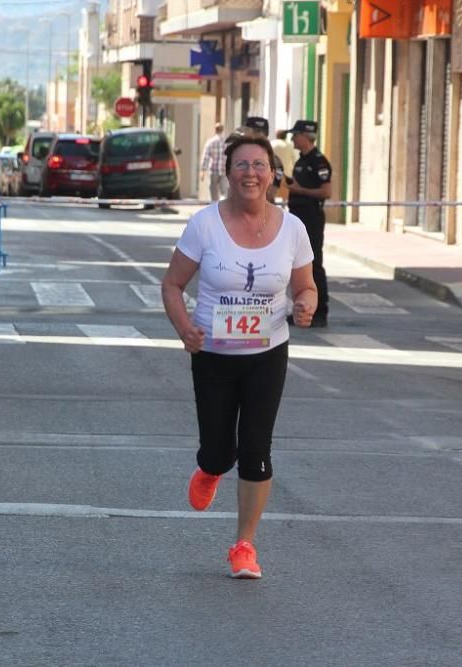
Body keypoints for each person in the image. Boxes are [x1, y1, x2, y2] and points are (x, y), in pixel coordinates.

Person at [161, 134, 318, 579]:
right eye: (242, 165)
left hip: (267, 352)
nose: (251, 172)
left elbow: (305, 286)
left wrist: (306, 303)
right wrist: (184, 328)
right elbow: (172, 285)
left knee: (256, 447)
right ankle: (210, 468)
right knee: (219, 450)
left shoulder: (292, 229)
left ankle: (244, 545)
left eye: (260, 165)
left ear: (273, 174)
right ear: (228, 173)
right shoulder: (204, 225)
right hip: (212, 353)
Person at [287, 120, 333, 328]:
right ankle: (301, 309)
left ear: (307, 136)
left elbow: (326, 192)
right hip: (297, 217)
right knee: (298, 265)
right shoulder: (301, 160)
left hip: (311, 217)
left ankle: (319, 311)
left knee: (313, 264)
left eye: (295, 135)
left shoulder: (318, 161)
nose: (292, 139)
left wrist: (299, 190)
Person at [241, 116, 285, 204]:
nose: (243, 135)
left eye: (246, 132)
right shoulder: (240, 158)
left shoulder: (273, 161)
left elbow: (269, 194)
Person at [200, 122, 228, 201]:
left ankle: (214, 206)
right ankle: (222, 205)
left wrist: (203, 170)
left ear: (215, 130)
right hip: (224, 170)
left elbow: (206, 156)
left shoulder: (210, 142)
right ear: (223, 130)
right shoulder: (227, 142)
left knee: (213, 191)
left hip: (213, 170)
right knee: (224, 191)